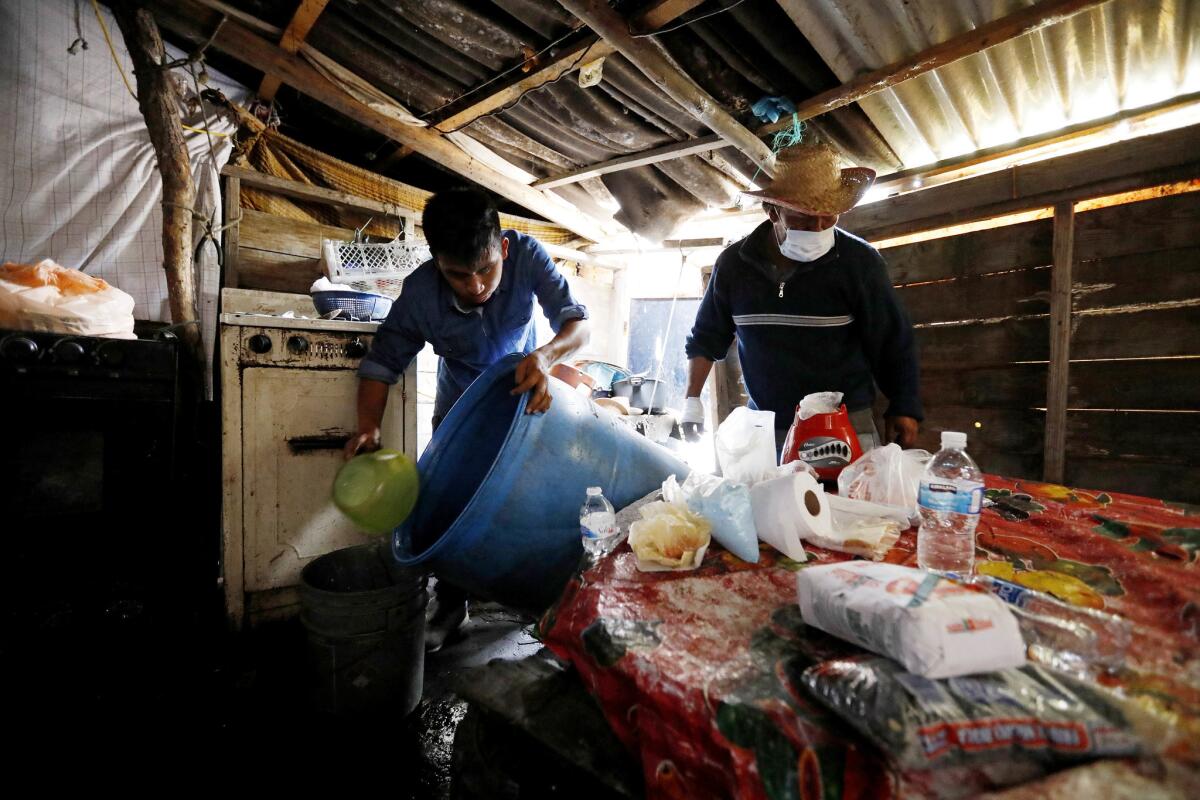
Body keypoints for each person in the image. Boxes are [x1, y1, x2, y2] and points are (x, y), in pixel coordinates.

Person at [344, 186, 590, 651]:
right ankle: (452, 605)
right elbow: (382, 364)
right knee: (450, 503)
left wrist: (546, 356)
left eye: (486, 269)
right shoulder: (419, 294)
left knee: (530, 500)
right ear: (436, 260)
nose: (476, 286)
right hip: (458, 409)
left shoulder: (528, 254)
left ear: (503, 248)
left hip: (525, 399)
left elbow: (579, 324)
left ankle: (538, 600)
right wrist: (367, 427)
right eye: (458, 275)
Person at [681, 141, 921, 456]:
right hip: (768, 426)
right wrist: (692, 401)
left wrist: (904, 405)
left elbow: (892, 340)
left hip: (844, 424)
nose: (818, 228)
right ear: (772, 211)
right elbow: (706, 338)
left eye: (828, 218)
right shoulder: (734, 265)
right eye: (804, 220)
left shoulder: (859, 262)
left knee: (848, 504)